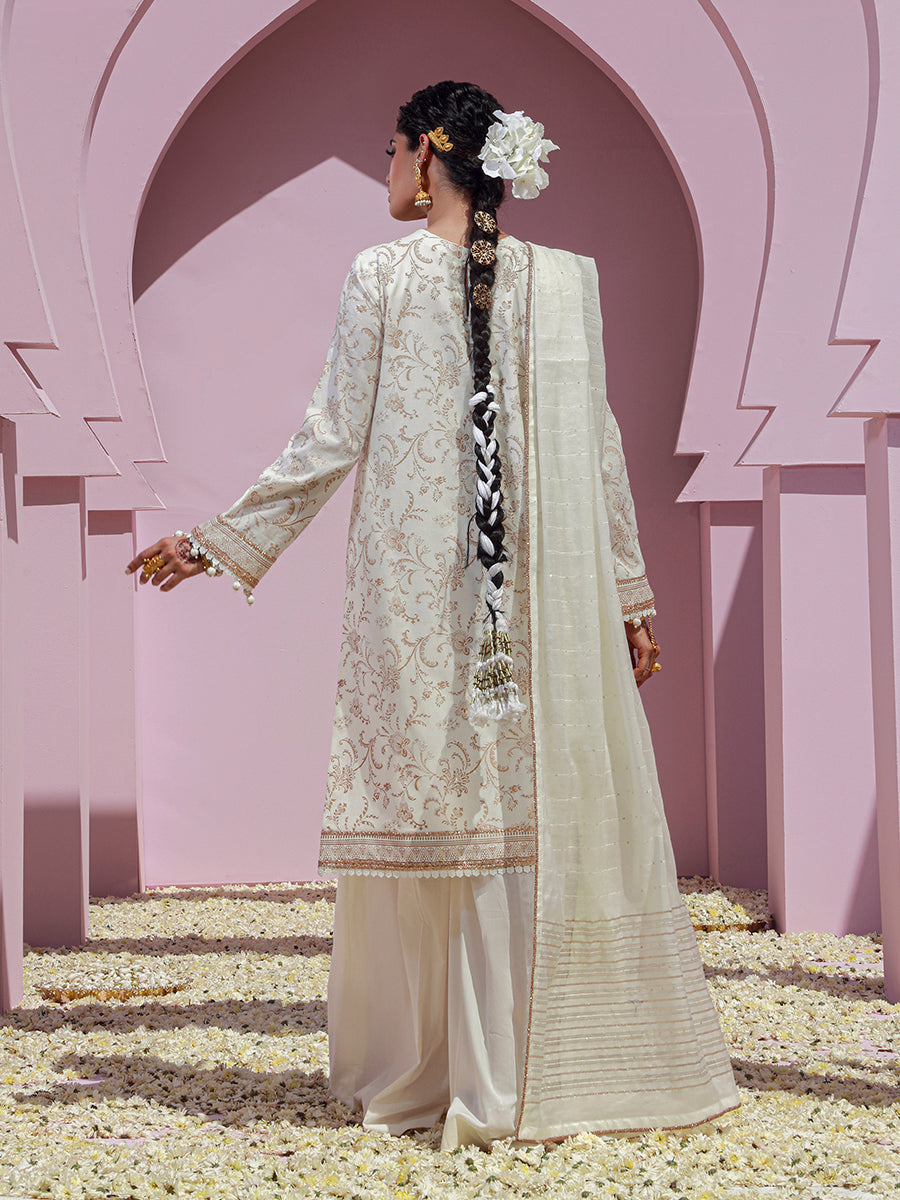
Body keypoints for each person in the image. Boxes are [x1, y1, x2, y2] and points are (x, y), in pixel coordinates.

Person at [128, 81, 739, 1149]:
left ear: (427, 155)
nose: (385, 168)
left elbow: (331, 437)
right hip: (539, 597)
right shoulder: (567, 281)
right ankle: (527, 1068)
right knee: (514, 805)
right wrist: (628, 595)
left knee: (441, 811)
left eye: (390, 148)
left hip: (416, 593)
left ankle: (442, 1073)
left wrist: (213, 540)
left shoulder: (382, 273)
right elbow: (599, 450)